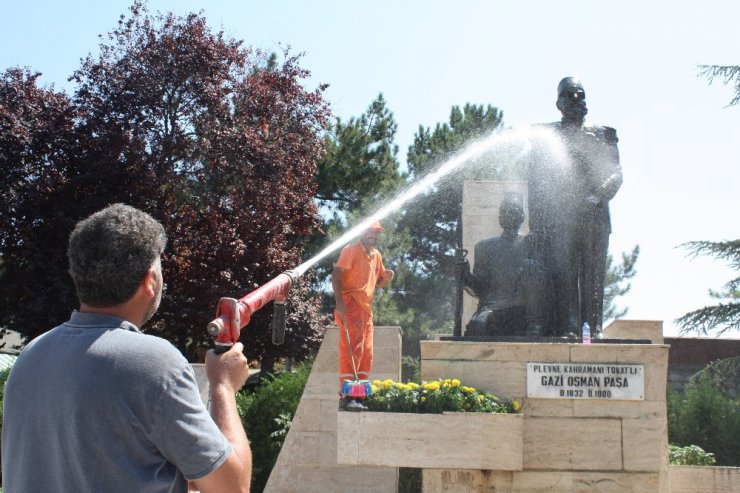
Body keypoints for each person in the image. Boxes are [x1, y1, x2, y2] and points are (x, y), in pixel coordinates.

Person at [1, 204, 252, 493]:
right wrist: (223, 385)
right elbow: (232, 487)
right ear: (149, 280)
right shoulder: (153, 363)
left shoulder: (32, 356)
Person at [529, 77, 622, 336]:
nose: (577, 99)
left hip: (595, 217)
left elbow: (616, 173)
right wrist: (537, 224)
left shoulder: (604, 134)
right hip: (563, 218)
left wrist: (597, 196)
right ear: (559, 103)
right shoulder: (546, 134)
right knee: (566, 275)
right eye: (570, 95)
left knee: (593, 276)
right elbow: (535, 181)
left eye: (581, 94)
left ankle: (593, 330)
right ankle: (569, 327)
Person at [332, 221, 394, 411]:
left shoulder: (376, 256)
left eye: (376, 233)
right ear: (361, 232)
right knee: (352, 352)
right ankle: (347, 396)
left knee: (367, 354)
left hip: (366, 309)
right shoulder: (351, 250)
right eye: (370, 232)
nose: (373, 236)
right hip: (351, 304)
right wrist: (340, 303)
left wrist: (386, 278)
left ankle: (359, 396)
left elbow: (378, 283)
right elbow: (336, 274)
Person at [463, 192, 543, 337]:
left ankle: (534, 322)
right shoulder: (484, 247)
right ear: (499, 217)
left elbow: (542, 281)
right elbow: (479, 288)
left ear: (522, 217)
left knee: (532, 266)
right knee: (477, 327)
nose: (508, 214)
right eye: (504, 211)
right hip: (491, 309)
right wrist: (465, 274)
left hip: (520, 311)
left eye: (513, 210)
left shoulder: (530, 243)